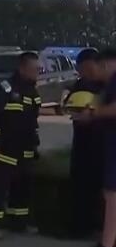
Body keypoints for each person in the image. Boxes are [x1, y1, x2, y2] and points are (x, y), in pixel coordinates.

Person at [0, 51, 42, 240]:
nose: (37, 72)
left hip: (24, 149)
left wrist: (34, 146)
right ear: (22, 69)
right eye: (34, 69)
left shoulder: (33, 92)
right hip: (3, 150)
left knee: (21, 188)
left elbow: (32, 123)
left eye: (38, 69)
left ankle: (19, 222)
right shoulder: (5, 89)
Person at [73, 48, 116, 247]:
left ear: (104, 64)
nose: (90, 75)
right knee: (110, 194)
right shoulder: (108, 84)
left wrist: (93, 113)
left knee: (112, 195)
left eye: (93, 70)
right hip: (108, 144)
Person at [64, 48, 105, 236]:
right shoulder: (80, 85)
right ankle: (81, 227)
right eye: (81, 70)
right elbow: (70, 106)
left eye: (85, 68)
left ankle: (99, 227)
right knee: (81, 187)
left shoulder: (107, 85)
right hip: (83, 143)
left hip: (101, 143)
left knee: (102, 190)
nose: (83, 73)